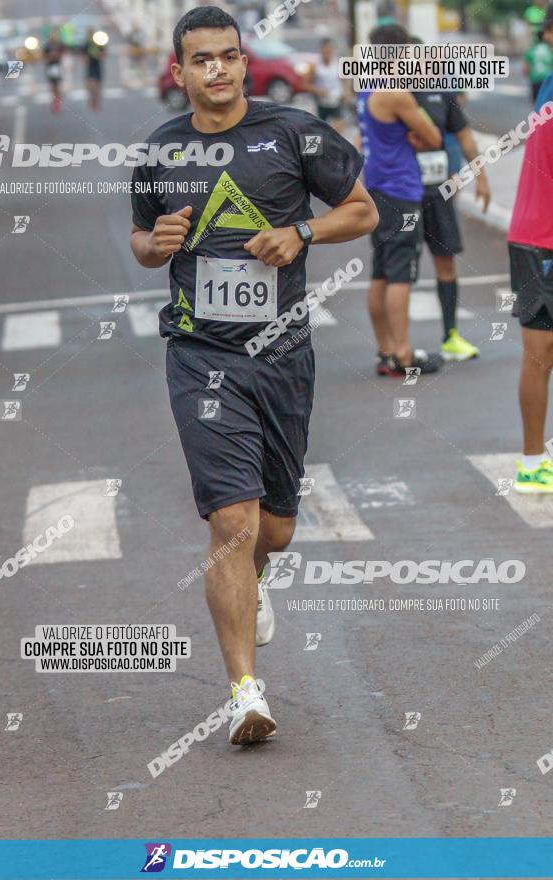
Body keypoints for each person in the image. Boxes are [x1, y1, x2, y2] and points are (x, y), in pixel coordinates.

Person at [130, 5, 377, 745]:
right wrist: (156, 243)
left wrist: (302, 230)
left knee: (275, 527)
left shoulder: (294, 132)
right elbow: (144, 242)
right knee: (231, 523)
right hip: (200, 353)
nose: (218, 69)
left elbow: (362, 211)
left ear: (242, 61)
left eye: (228, 56)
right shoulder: (160, 152)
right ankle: (245, 694)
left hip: (283, 353)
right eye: (201, 59)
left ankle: (260, 579)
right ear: (179, 72)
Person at [356, 23, 443, 376]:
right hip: (400, 191)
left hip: (377, 188)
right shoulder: (396, 92)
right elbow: (432, 135)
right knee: (399, 276)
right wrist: (419, 135)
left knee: (380, 273)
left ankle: (386, 350)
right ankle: (403, 355)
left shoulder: (367, 87)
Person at [412, 40, 490, 361]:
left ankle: (450, 336)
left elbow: (465, 135)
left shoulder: (441, 94)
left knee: (446, 262)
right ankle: (394, 347)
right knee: (399, 269)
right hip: (401, 194)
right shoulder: (392, 95)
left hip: (439, 191)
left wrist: (481, 175)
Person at [508, 70, 553, 493]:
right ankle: (532, 463)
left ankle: (534, 461)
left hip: (531, 235)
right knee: (540, 355)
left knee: (540, 355)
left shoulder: (548, 83)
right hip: (543, 241)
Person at [306, 38, 345, 134]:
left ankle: (337, 147)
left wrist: (345, 94)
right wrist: (317, 90)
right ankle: (325, 146)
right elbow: (305, 84)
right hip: (322, 101)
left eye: (330, 48)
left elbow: (344, 81)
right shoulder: (314, 65)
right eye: (325, 48)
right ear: (321, 49)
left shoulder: (338, 63)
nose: (327, 50)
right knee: (321, 129)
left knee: (338, 128)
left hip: (336, 99)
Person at [524, 27, 553, 104]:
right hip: (548, 79)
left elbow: (525, 68)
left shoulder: (530, 50)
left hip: (535, 80)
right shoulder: (549, 49)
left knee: (538, 105)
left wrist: (530, 76)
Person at [83, 28, 107, 110]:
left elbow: (104, 55)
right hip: (90, 67)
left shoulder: (99, 44)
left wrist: (97, 55)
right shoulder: (86, 44)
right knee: (90, 85)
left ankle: (97, 102)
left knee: (98, 86)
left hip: (97, 66)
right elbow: (83, 58)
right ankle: (92, 100)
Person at [43, 30, 65, 113]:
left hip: (57, 66)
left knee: (57, 85)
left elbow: (64, 53)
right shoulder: (47, 46)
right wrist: (50, 57)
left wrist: (58, 57)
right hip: (50, 67)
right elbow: (44, 56)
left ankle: (58, 101)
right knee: (52, 85)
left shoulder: (59, 45)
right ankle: (54, 101)